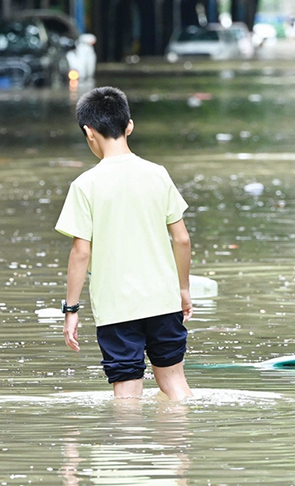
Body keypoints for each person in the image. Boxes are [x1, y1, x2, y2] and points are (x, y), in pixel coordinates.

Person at [54, 86, 194, 401]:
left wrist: (71, 310)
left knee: (127, 392)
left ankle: (128, 447)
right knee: (175, 386)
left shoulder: (85, 185)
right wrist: (183, 289)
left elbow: (81, 252)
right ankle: (182, 446)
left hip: (117, 309)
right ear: (129, 126)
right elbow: (182, 238)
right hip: (163, 300)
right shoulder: (158, 175)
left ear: (89, 132)